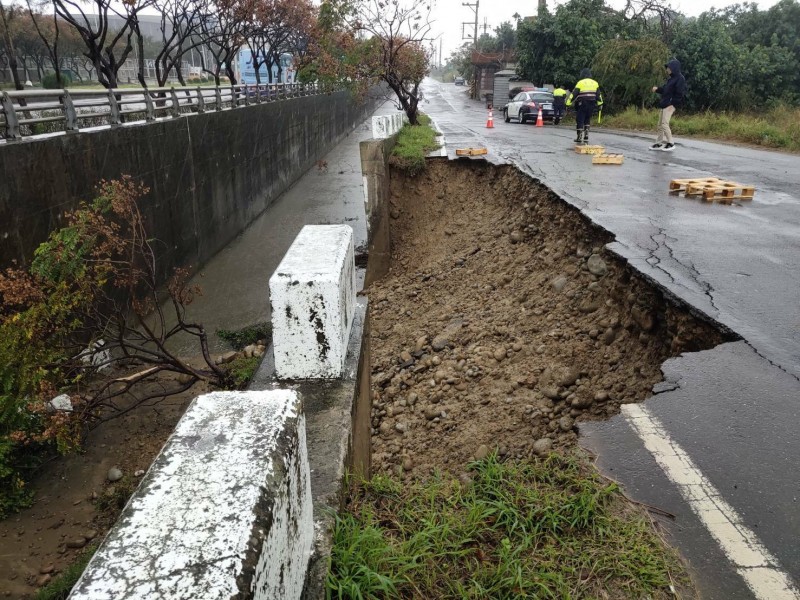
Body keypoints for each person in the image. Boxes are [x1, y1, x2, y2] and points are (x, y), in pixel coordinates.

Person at [650, 59, 686, 152]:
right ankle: (659, 143)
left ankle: (671, 143)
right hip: (664, 104)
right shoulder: (671, 79)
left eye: (669, 68)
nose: (667, 70)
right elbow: (665, 90)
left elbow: (679, 94)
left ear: (674, 68)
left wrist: (672, 104)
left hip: (670, 105)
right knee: (660, 125)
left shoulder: (680, 79)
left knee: (665, 124)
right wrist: (657, 89)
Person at [566, 69, 603, 144]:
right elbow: (598, 95)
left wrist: (568, 103)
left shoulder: (580, 83)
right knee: (587, 118)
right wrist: (600, 104)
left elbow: (574, 94)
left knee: (580, 119)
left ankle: (579, 137)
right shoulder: (595, 83)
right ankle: (586, 136)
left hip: (582, 103)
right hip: (592, 103)